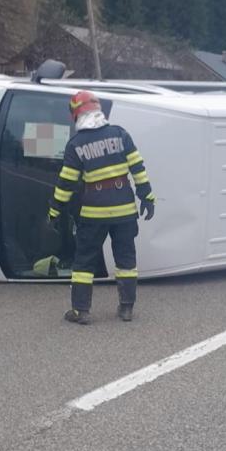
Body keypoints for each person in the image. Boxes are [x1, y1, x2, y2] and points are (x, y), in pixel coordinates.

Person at [48, 89, 156, 324]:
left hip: (93, 214)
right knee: (126, 259)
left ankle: (81, 311)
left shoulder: (76, 144)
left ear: (76, 115)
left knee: (84, 261)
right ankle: (126, 308)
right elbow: (137, 168)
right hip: (125, 211)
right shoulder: (120, 134)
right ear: (98, 111)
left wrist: (55, 211)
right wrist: (147, 196)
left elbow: (66, 183)